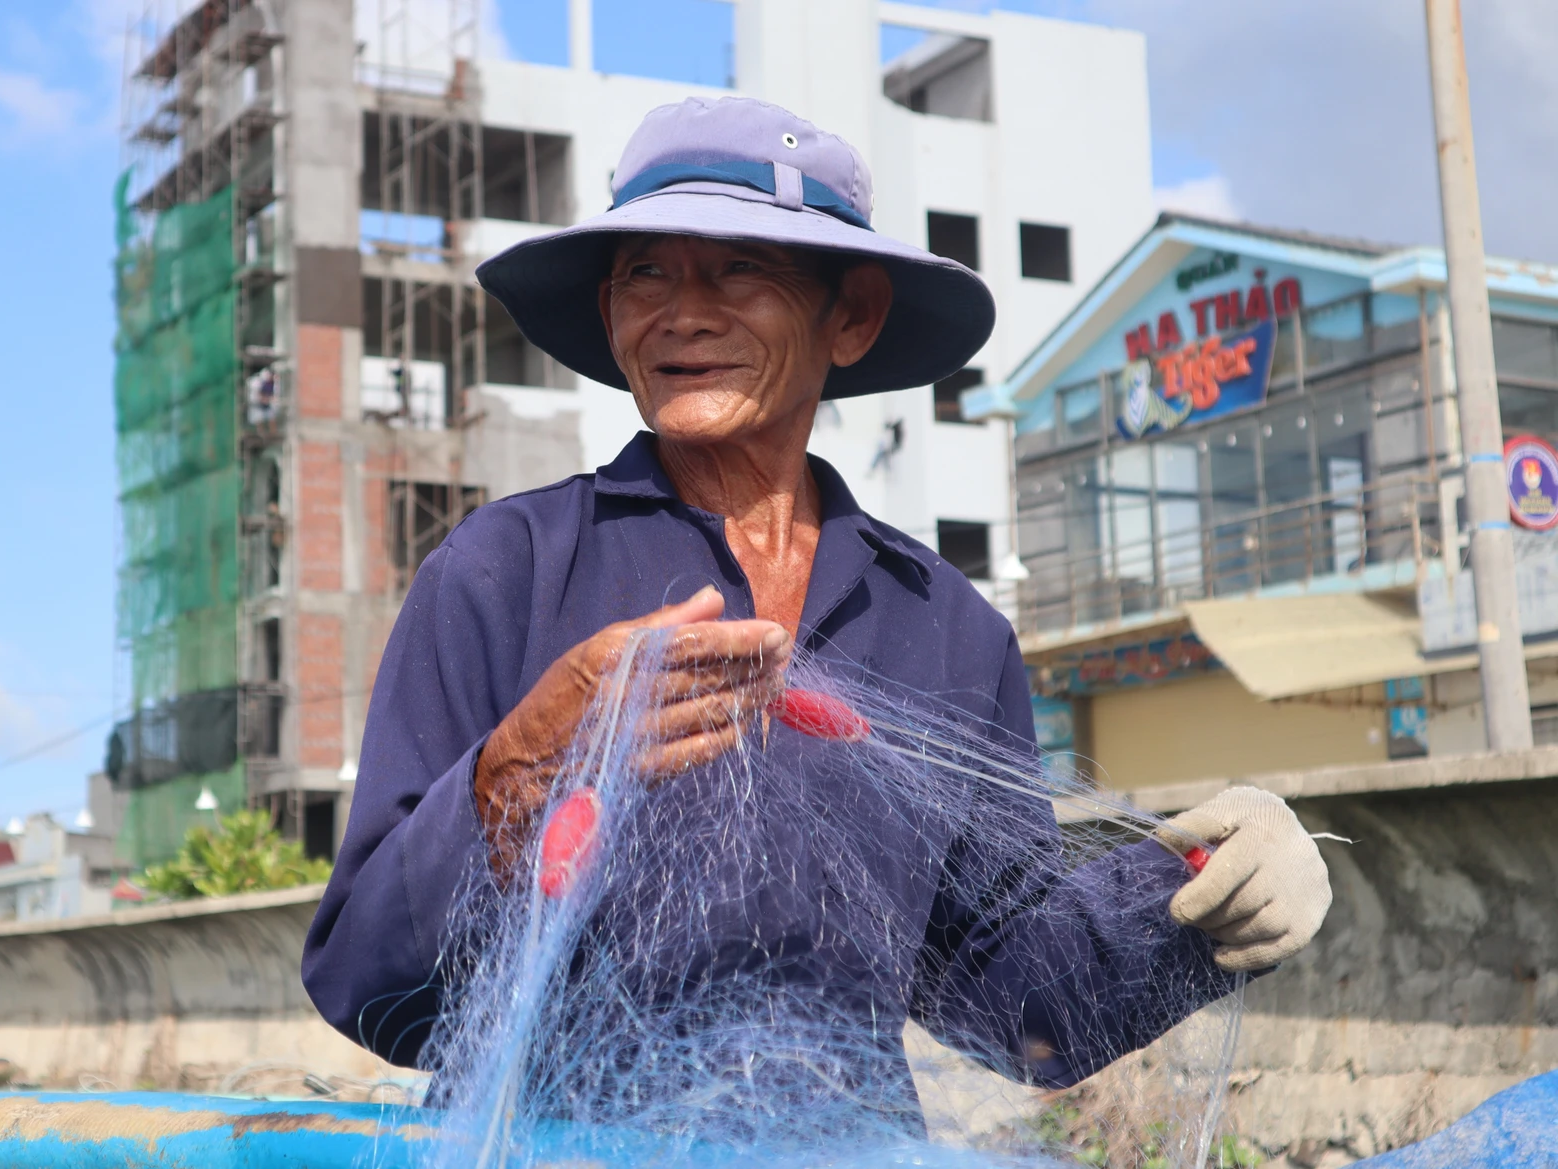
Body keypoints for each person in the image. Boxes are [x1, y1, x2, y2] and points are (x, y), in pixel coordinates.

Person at [302, 97, 1330, 1098]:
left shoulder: (945, 627)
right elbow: (363, 981)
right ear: (610, 313)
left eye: (741, 268)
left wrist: (1199, 900)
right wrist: (518, 772)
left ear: (852, 315)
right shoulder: (504, 571)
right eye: (644, 272)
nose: (682, 311)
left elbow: (1020, 1008)